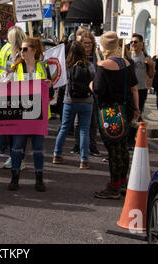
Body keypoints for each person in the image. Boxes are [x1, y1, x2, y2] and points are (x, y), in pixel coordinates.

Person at [91, 32, 139, 199]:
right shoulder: (127, 63)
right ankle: (123, 181)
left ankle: (114, 186)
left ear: (103, 47)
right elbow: (134, 88)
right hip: (125, 109)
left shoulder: (103, 65)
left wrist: (91, 85)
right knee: (123, 148)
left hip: (109, 112)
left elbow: (97, 89)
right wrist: (137, 109)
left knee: (113, 150)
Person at [6, 37, 54, 192]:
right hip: (21, 114)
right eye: (21, 49)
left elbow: (51, 91)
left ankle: (39, 179)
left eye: (25, 49)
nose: (22, 52)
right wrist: (6, 81)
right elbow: (6, 88)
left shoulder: (43, 66)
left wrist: (50, 85)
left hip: (38, 115)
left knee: (38, 148)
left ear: (33, 50)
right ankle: (15, 178)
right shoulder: (16, 67)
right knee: (17, 147)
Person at [53, 41, 95, 169]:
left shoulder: (67, 66)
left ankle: (57, 155)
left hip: (70, 101)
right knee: (84, 130)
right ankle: (84, 160)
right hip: (86, 101)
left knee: (64, 128)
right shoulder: (90, 66)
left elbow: (60, 82)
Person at [0, 26, 27, 168]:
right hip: (12, 93)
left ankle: (17, 159)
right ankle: (16, 157)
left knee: (16, 129)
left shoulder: (20, 54)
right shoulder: (14, 52)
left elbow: (16, 73)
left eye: (9, 36)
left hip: (16, 94)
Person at [70, 31, 102, 157]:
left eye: (89, 43)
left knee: (93, 121)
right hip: (79, 92)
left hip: (93, 92)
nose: (87, 45)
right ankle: (77, 145)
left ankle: (93, 146)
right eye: (85, 43)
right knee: (78, 122)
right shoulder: (77, 56)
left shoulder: (97, 56)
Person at [128, 33, 155, 148]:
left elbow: (151, 75)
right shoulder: (128, 57)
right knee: (129, 113)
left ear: (141, 44)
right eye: (132, 42)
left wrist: (151, 65)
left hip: (141, 89)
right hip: (130, 90)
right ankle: (129, 138)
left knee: (137, 114)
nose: (133, 44)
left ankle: (132, 139)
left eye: (135, 42)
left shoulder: (146, 57)